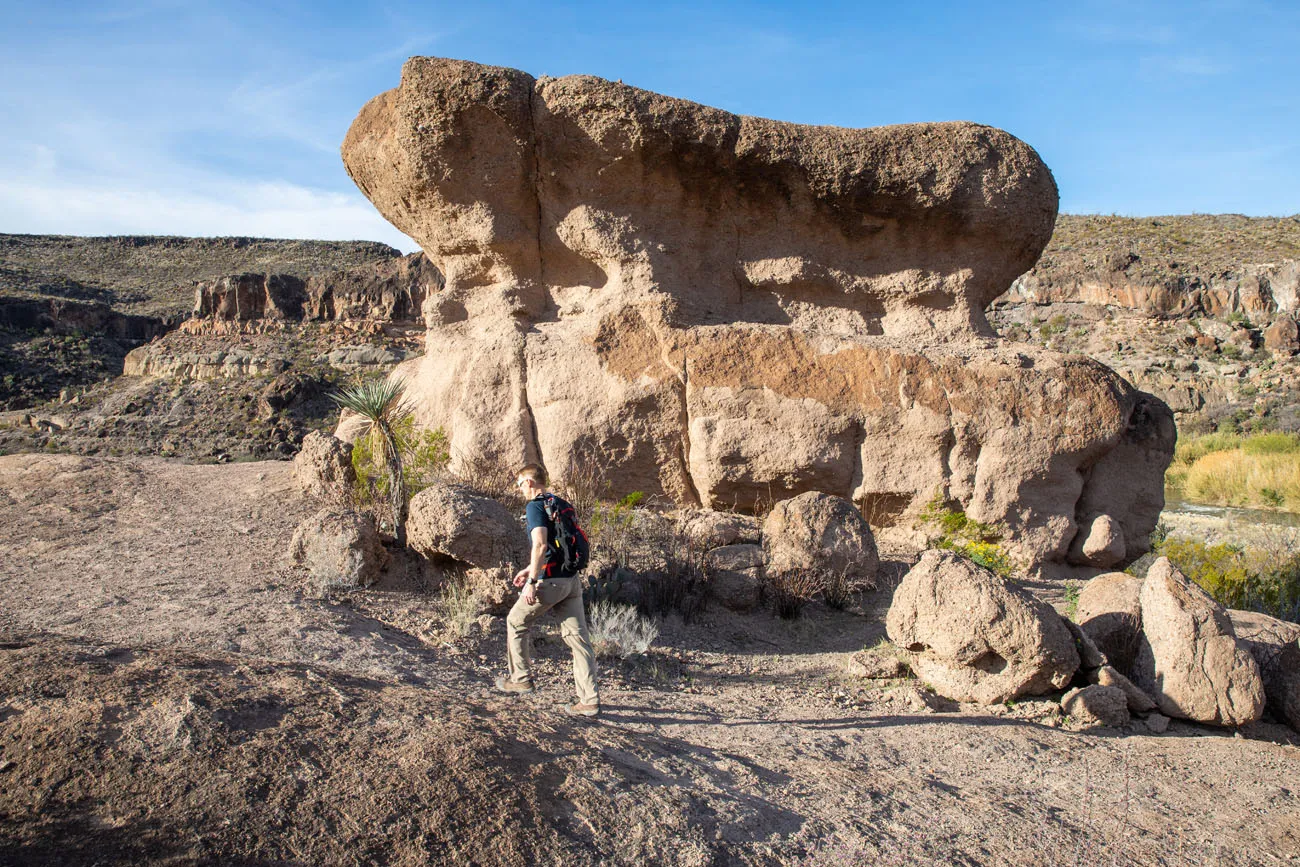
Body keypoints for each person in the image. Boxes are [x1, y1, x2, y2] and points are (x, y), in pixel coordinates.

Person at [495, 463, 600, 717]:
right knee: (579, 641)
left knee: (515, 621)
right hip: (571, 581)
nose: (520, 490)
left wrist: (532, 581)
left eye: (520, 484)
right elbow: (559, 546)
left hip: (550, 582)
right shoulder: (562, 503)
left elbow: (541, 545)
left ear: (529, 482)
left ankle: (520, 678)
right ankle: (589, 700)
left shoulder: (535, 506)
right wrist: (529, 570)